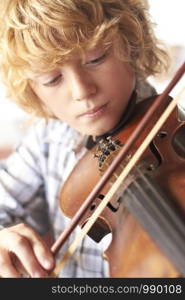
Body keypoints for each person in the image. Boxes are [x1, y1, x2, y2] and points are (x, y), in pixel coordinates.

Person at [0, 0, 168, 278]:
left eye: (96, 59)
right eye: (52, 79)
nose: (82, 91)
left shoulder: (176, 140)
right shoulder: (49, 138)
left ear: (131, 42)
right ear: (32, 89)